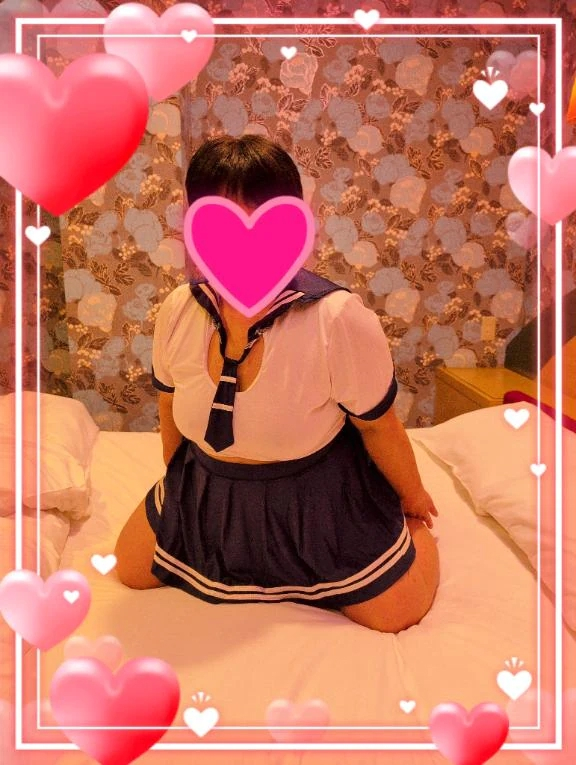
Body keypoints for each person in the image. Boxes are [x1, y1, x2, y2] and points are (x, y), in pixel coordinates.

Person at [115, 135, 440, 633]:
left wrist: (412, 497)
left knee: (395, 616)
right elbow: (168, 404)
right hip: (210, 486)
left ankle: (403, 531)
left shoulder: (336, 319)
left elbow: (379, 426)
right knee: (130, 568)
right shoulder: (180, 309)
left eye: (259, 214)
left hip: (314, 498)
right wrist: (178, 483)